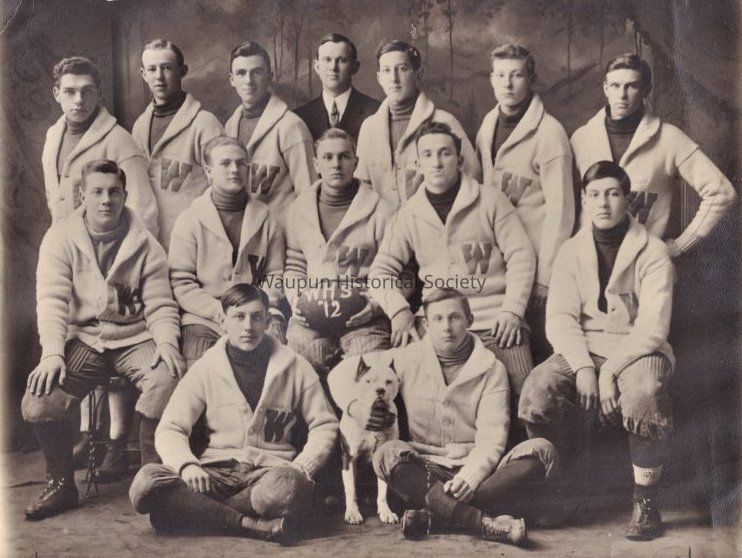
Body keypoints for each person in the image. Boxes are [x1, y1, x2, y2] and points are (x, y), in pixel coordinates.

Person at [518, 161, 675, 541]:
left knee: (644, 392)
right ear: (585, 200)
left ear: (628, 200)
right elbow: (560, 318)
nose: (603, 203)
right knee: (538, 388)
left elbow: (653, 327)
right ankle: (561, 490)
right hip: (584, 345)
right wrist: (584, 367)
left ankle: (645, 502)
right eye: (594, 195)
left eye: (613, 193)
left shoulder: (653, 252)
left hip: (638, 347)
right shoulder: (571, 251)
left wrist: (608, 372)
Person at [22, 160, 184, 521]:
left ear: (125, 194)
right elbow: (51, 300)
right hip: (88, 338)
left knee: (168, 379)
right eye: (97, 191)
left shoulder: (145, 243)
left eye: (114, 191)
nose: (106, 199)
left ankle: (156, 485)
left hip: (134, 336)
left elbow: (160, 303)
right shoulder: (61, 237)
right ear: (83, 195)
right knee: (40, 399)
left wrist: (166, 343)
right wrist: (53, 353)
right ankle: (61, 485)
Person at [328, 288, 557, 544]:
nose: (446, 327)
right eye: (437, 319)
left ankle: (438, 515)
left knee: (542, 450)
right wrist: (354, 407)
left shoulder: (492, 369)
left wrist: (470, 477)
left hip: (479, 470)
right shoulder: (407, 358)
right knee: (386, 454)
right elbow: (340, 373)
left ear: (469, 320)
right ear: (426, 324)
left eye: (454, 317)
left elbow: (492, 439)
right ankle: (482, 522)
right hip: (424, 472)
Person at [129, 283, 338, 543]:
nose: (248, 326)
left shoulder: (295, 366)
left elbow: (325, 424)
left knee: (289, 486)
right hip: (214, 475)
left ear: (267, 321)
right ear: (223, 321)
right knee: (146, 481)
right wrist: (187, 464)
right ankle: (249, 524)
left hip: (268, 475)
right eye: (239, 317)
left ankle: (193, 513)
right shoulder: (206, 367)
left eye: (256, 317)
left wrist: (302, 466)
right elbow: (171, 427)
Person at [43, 55, 160, 480]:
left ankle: (117, 443)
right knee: (78, 341)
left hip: (118, 259)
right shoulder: (54, 136)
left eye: (87, 92)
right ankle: (89, 437)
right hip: (73, 252)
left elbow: (143, 210)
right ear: (57, 94)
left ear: (98, 94)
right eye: (70, 92)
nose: (79, 100)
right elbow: (57, 202)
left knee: (117, 349)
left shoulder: (119, 141)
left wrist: (122, 265)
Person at [369, 121, 536, 408]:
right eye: (428, 155)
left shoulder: (490, 200)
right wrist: (398, 310)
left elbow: (522, 256)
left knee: (526, 399)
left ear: (459, 161)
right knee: (422, 397)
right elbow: (380, 272)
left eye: (445, 153)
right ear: (418, 164)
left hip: (495, 319)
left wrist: (512, 311)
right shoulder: (409, 214)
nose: (436, 162)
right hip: (438, 323)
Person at [570, 53, 736, 257]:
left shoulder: (669, 138)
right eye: (615, 85)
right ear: (605, 88)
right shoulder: (581, 138)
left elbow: (722, 193)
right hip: (588, 263)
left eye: (631, 86)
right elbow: (561, 204)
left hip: (646, 265)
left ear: (646, 90)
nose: (622, 94)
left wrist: (678, 247)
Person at [475, 44, 574, 364]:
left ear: (530, 78)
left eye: (516, 75)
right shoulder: (488, 123)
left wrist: (545, 275)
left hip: (536, 258)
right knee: (501, 341)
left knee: (539, 345)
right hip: (499, 260)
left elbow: (562, 210)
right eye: (501, 75)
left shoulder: (550, 133)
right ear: (492, 79)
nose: (507, 84)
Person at [284, 128, 396, 377]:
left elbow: (400, 270)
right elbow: (294, 264)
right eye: (328, 157)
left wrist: (376, 305)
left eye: (344, 157)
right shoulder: (299, 209)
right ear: (316, 164)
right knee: (299, 367)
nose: (336, 164)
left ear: (356, 162)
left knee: (367, 371)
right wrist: (296, 299)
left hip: (364, 315)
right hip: (313, 313)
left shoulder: (382, 211)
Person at [169, 135, 286, 369]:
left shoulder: (267, 218)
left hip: (256, 315)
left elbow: (275, 274)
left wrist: (257, 312)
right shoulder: (190, 220)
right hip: (205, 319)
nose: (234, 169)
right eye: (225, 163)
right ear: (209, 171)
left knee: (276, 366)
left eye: (241, 163)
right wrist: (219, 313)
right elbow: (182, 283)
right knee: (200, 369)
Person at [356, 40, 481, 208]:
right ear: (379, 78)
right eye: (386, 70)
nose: (393, 79)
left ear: (418, 74)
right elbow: (362, 188)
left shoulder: (444, 121)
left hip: (431, 221)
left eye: (402, 69)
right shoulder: (369, 128)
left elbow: (472, 179)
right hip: (383, 223)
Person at [132, 39, 224, 250]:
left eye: (166, 68)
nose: (159, 77)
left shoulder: (204, 123)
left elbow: (224, 188)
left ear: (182, 71)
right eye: (152, 69)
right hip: (150, 244)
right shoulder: (139, 126)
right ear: (143, 74)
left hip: (195, 242)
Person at [224, 41, 316, 224]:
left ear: (269, 77)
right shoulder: (229, 127)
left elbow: (308, 195)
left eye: (256, 72)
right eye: (241, 73)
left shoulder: (291, 126)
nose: (248, 81)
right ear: (232, 79)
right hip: (240, 232)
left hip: (280, 234)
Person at [293, 33, 380, 142]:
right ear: (317, 66)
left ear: (355, 67)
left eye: (342, 60)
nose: (333, 67)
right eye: (327, 60)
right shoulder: (299, 118)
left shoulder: (376, 112)